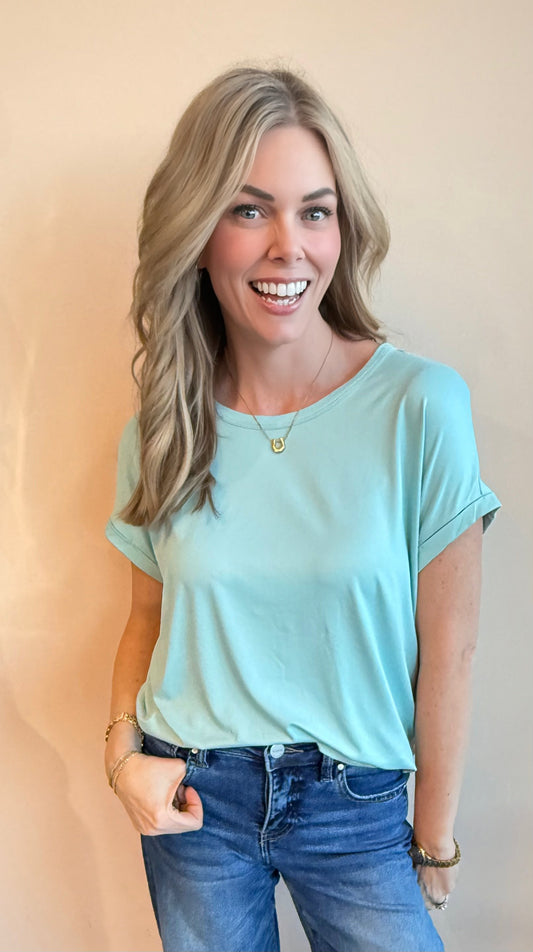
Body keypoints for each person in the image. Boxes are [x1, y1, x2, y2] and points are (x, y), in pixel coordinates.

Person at [104, 65, 501, 952]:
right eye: (248, 210)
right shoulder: (163, 424)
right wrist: (121, 755)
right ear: (196, 233)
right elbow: (144, 621)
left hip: (355, 806)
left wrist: (433, 840)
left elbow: (453, 651)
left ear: (341, 229)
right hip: (193, 800)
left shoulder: (420, 406)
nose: (289, 245)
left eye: (314, 211)